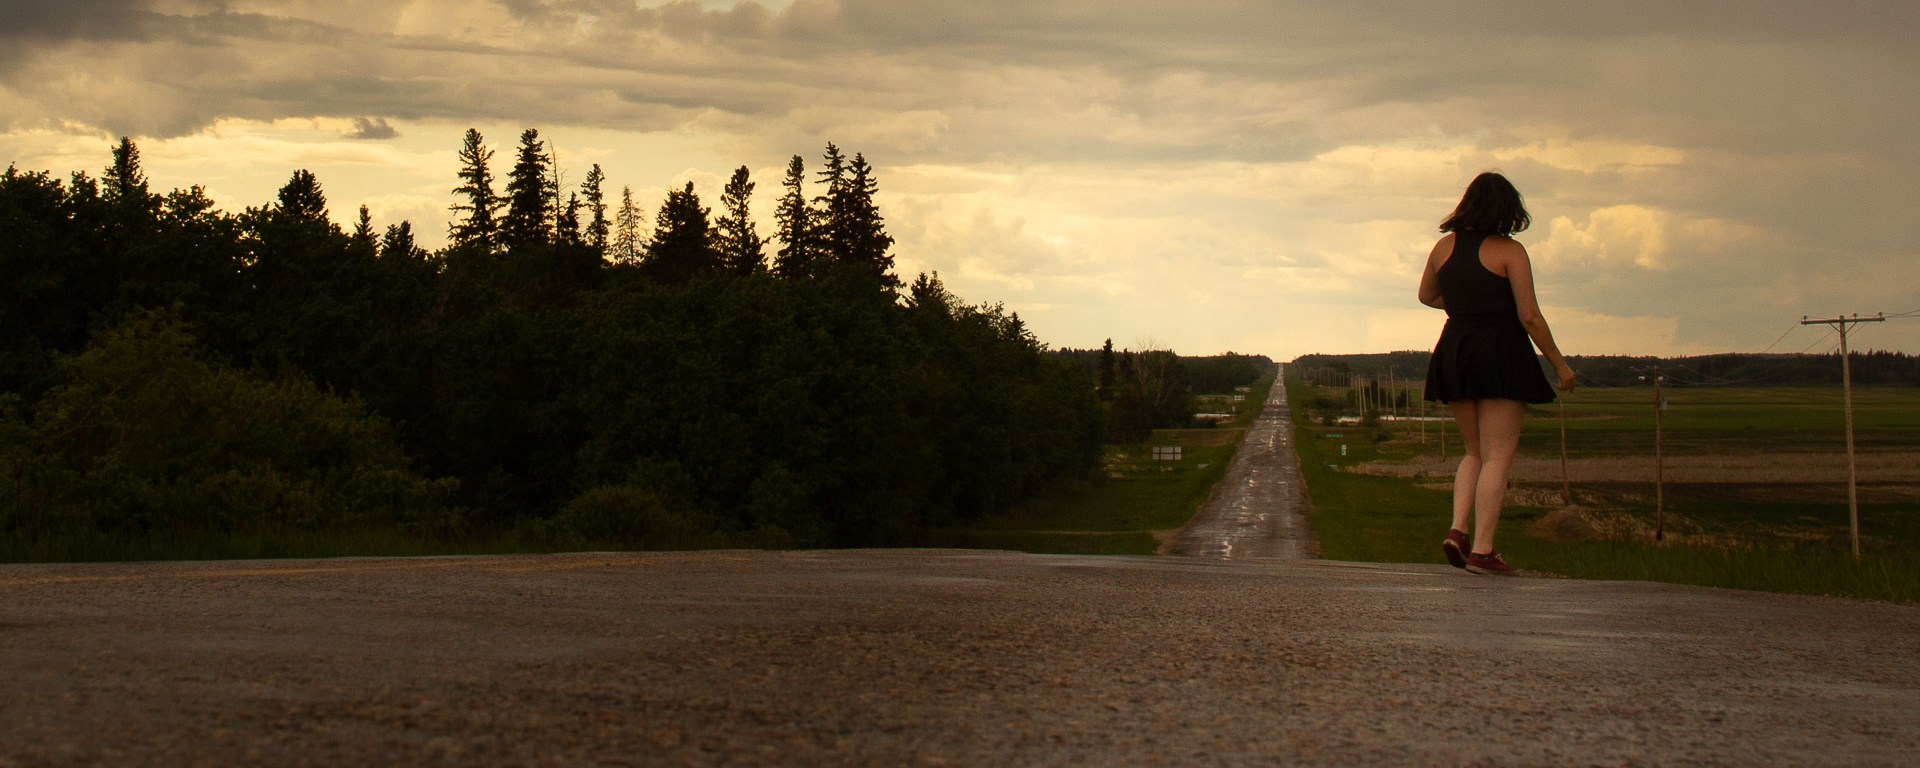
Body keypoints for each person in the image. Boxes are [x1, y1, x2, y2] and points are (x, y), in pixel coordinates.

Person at [1418, 172, 1575, 575]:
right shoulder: (1510, 252)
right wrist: (1559, 364)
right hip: (1500, 351)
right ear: (1508, 210)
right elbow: (1530, 316)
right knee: (1498, 455)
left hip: (1455, 347)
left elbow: (1428, 296)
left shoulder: (1443, 248)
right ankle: (1484, 551)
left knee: (1474, 451)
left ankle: (1457, 531)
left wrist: (1467, 306)